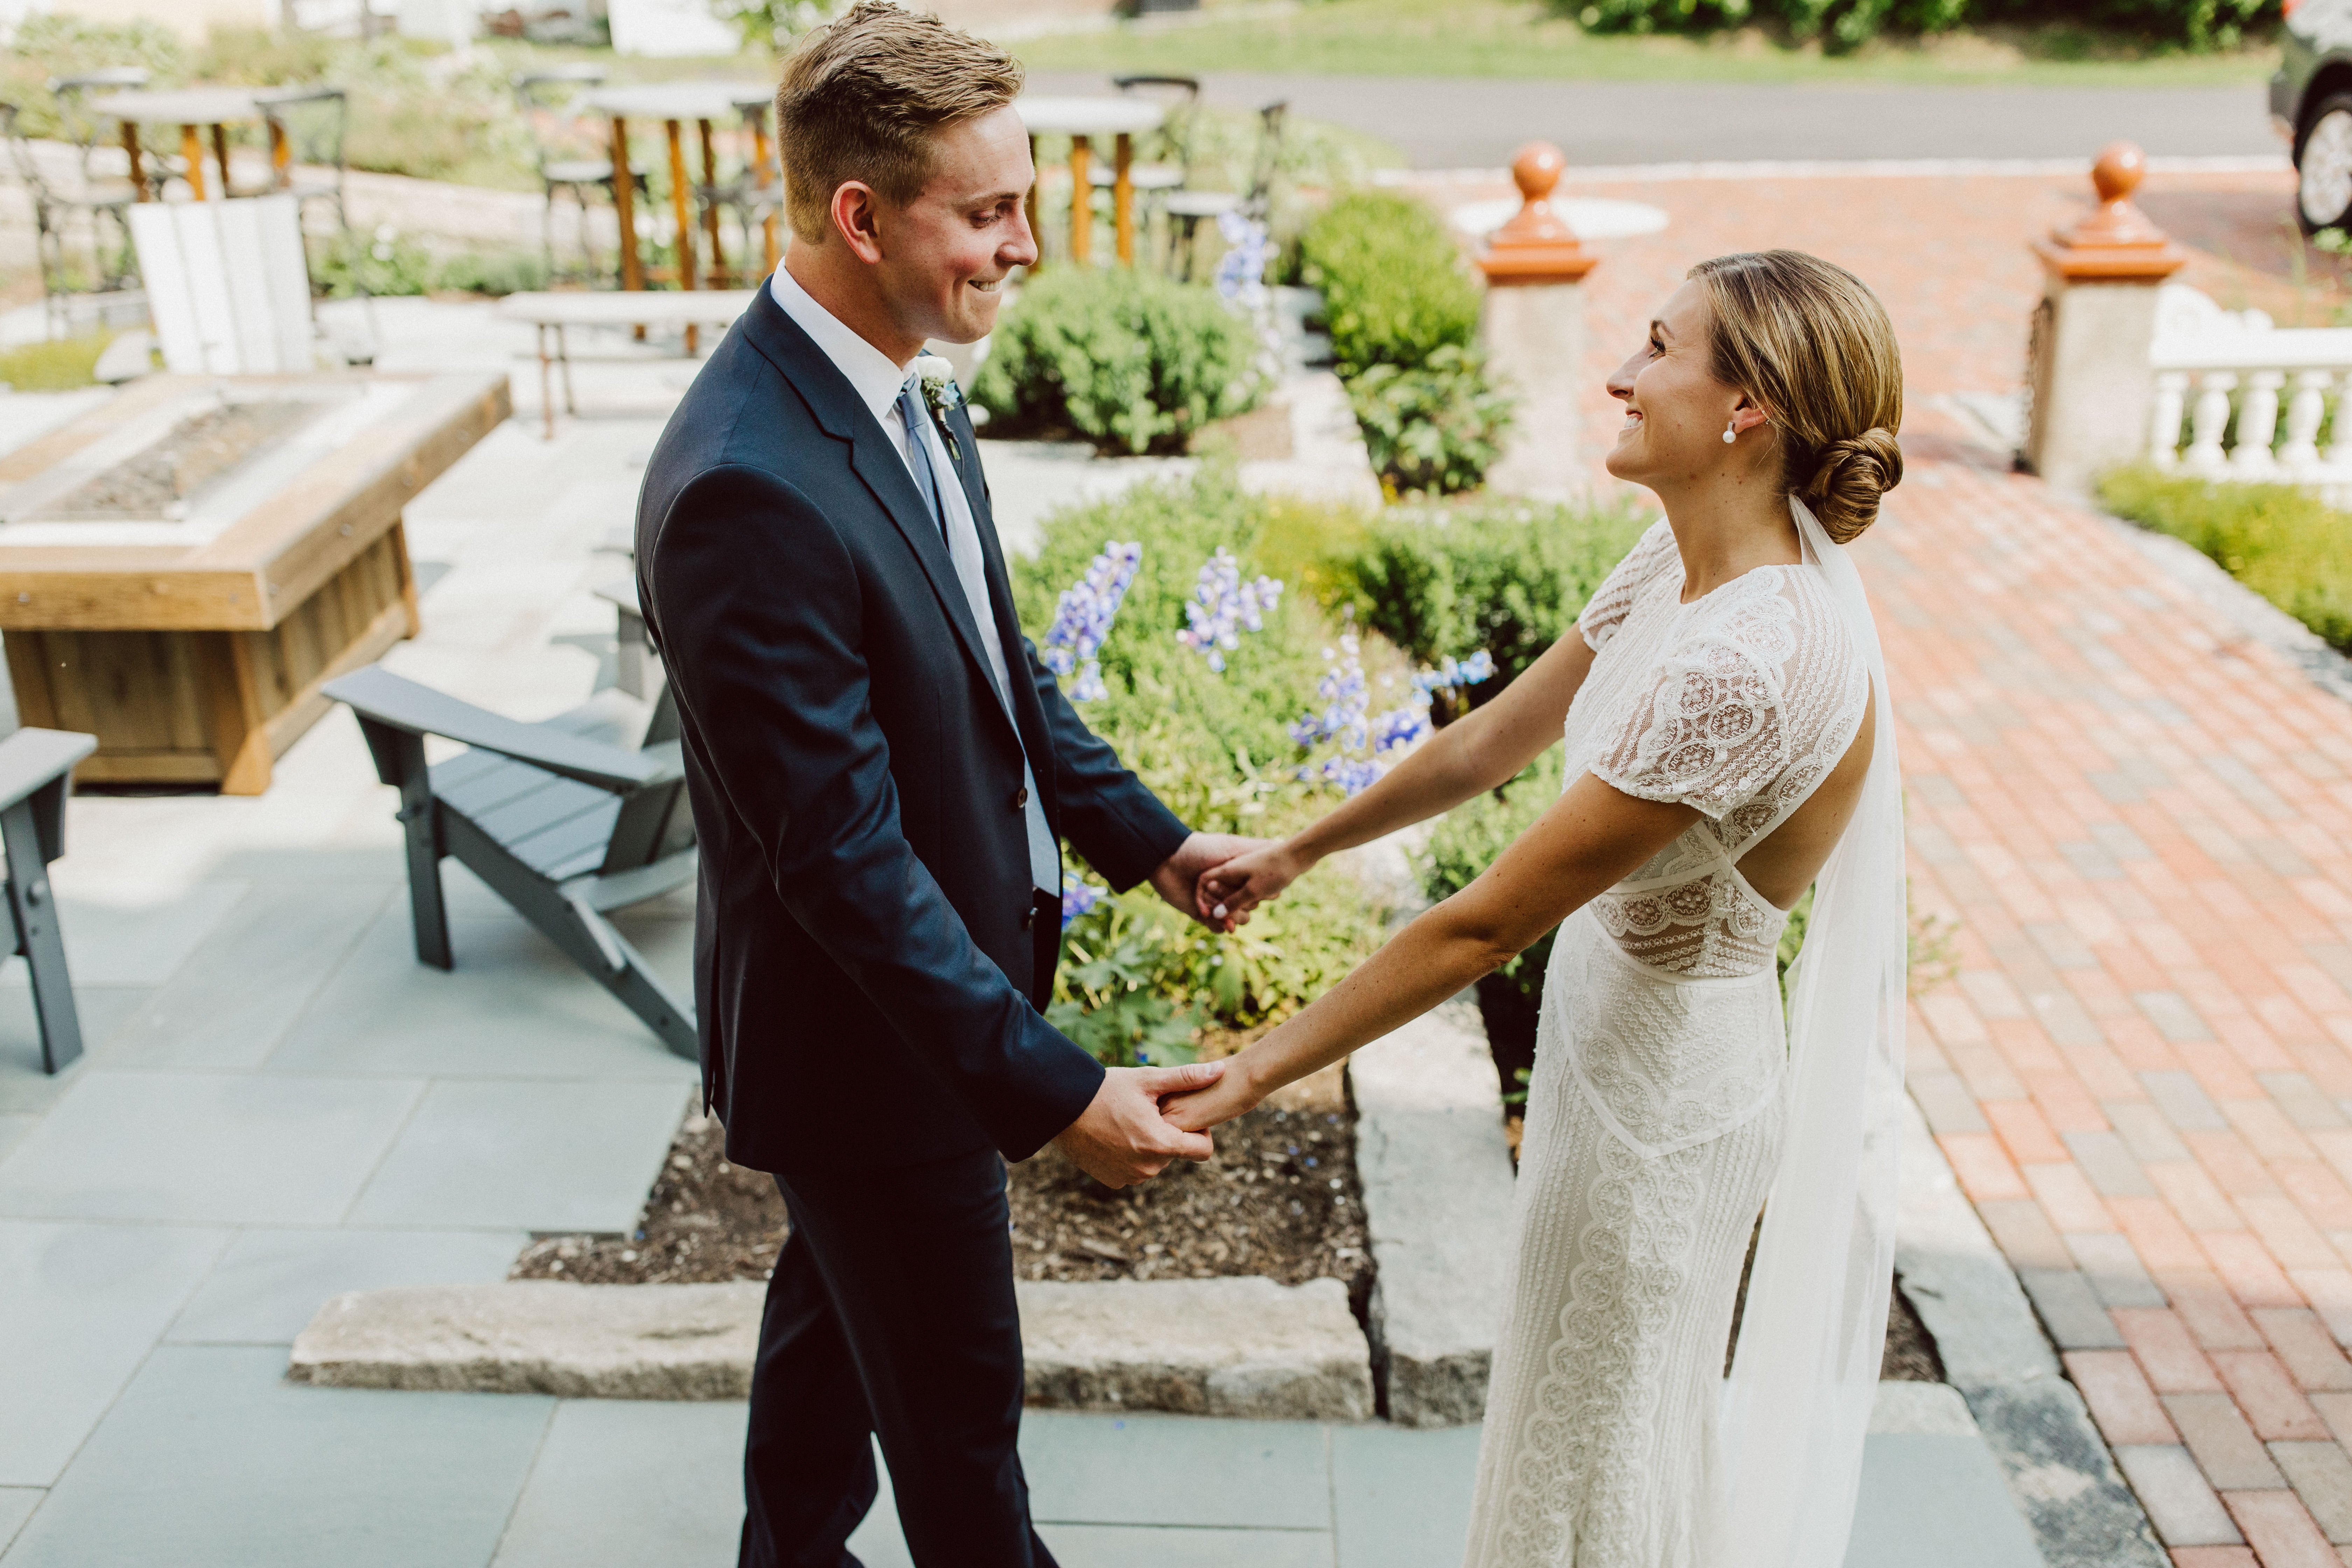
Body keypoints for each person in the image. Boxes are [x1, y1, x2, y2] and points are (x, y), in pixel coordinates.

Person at [632, 8, 1266, 1565]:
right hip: (877, 1061)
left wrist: (1154, 841)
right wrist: (1057, 1092)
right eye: (990, 212)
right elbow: (841, 858)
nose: (1027, 243)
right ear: (862, 217)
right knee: (967, 1457)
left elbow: (995, 666)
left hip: (905, 1031)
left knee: (829, 1357)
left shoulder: (903, 378)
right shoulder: (745, 486)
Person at [1175, 251, 1911, 1568]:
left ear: (1748, 409)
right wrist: (1298, 851)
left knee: (1606, 1439)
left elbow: (1479, 928)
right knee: (1583, 1415)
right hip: (1608, 1048)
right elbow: (1489, 743)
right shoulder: (1682, 561)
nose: (1620, 376)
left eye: (1657, 349)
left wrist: (1250, 1075)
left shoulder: (1748, 665)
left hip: (1667, 1105)